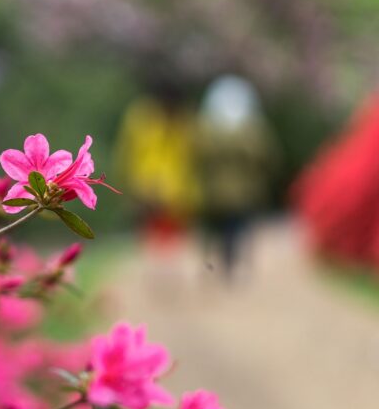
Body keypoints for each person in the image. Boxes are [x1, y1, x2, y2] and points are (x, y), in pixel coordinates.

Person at [197, 75, 275, 281]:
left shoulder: (243, 128)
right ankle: (226, 265)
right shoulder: (245, 128)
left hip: (237, 192)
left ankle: (230, 265)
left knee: (237, 229)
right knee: (230, 230)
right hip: (225, 193)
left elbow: (263, 155)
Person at [115, 70, 201, 247]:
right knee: (155, 239)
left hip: (172, 193)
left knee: (170, 240)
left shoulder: (182, 121)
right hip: (150, 190)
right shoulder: (142, 117)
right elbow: (127, 154)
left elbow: (190, 157)